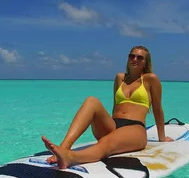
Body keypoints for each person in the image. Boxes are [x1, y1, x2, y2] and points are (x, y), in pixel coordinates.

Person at [41, 45, 174, 169]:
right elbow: (116, 107)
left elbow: (157, 109)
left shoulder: (150, 79)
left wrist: (161, 137)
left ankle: (70, 158)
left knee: (106, 142)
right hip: (114, 125)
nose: (135, 59)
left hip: (135, 129)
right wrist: (107, 124)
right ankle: (64, 148)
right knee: (91, 101)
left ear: (146, 62)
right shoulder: (119, 78)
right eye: (131, 56)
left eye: (140, 57)